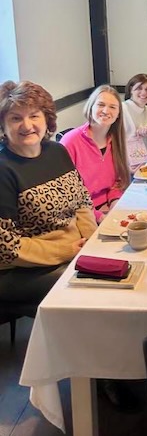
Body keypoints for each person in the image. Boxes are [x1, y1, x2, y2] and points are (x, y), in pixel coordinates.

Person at [0, 80, 96, 304]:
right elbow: (4, 246)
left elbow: (82, 201)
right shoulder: (3, 169)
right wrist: (67, 250)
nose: (26, 125)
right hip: (21, 270)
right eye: (15, 118)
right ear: (3, 125)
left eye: (34, 115)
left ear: (46, 119)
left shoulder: (57, 151)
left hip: (73, 253)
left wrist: (91, 240)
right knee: (93, 289)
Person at [61, 86, 130, 223]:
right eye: (101, 104)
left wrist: (115, 205)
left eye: (112, 107)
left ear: (118, 115)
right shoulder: (71, 141)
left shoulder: (116, 141)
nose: (106, 111)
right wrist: (100, 217)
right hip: (80, 216)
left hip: (108, 208)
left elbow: (117, 183)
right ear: (90, 107)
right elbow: (66, 195)